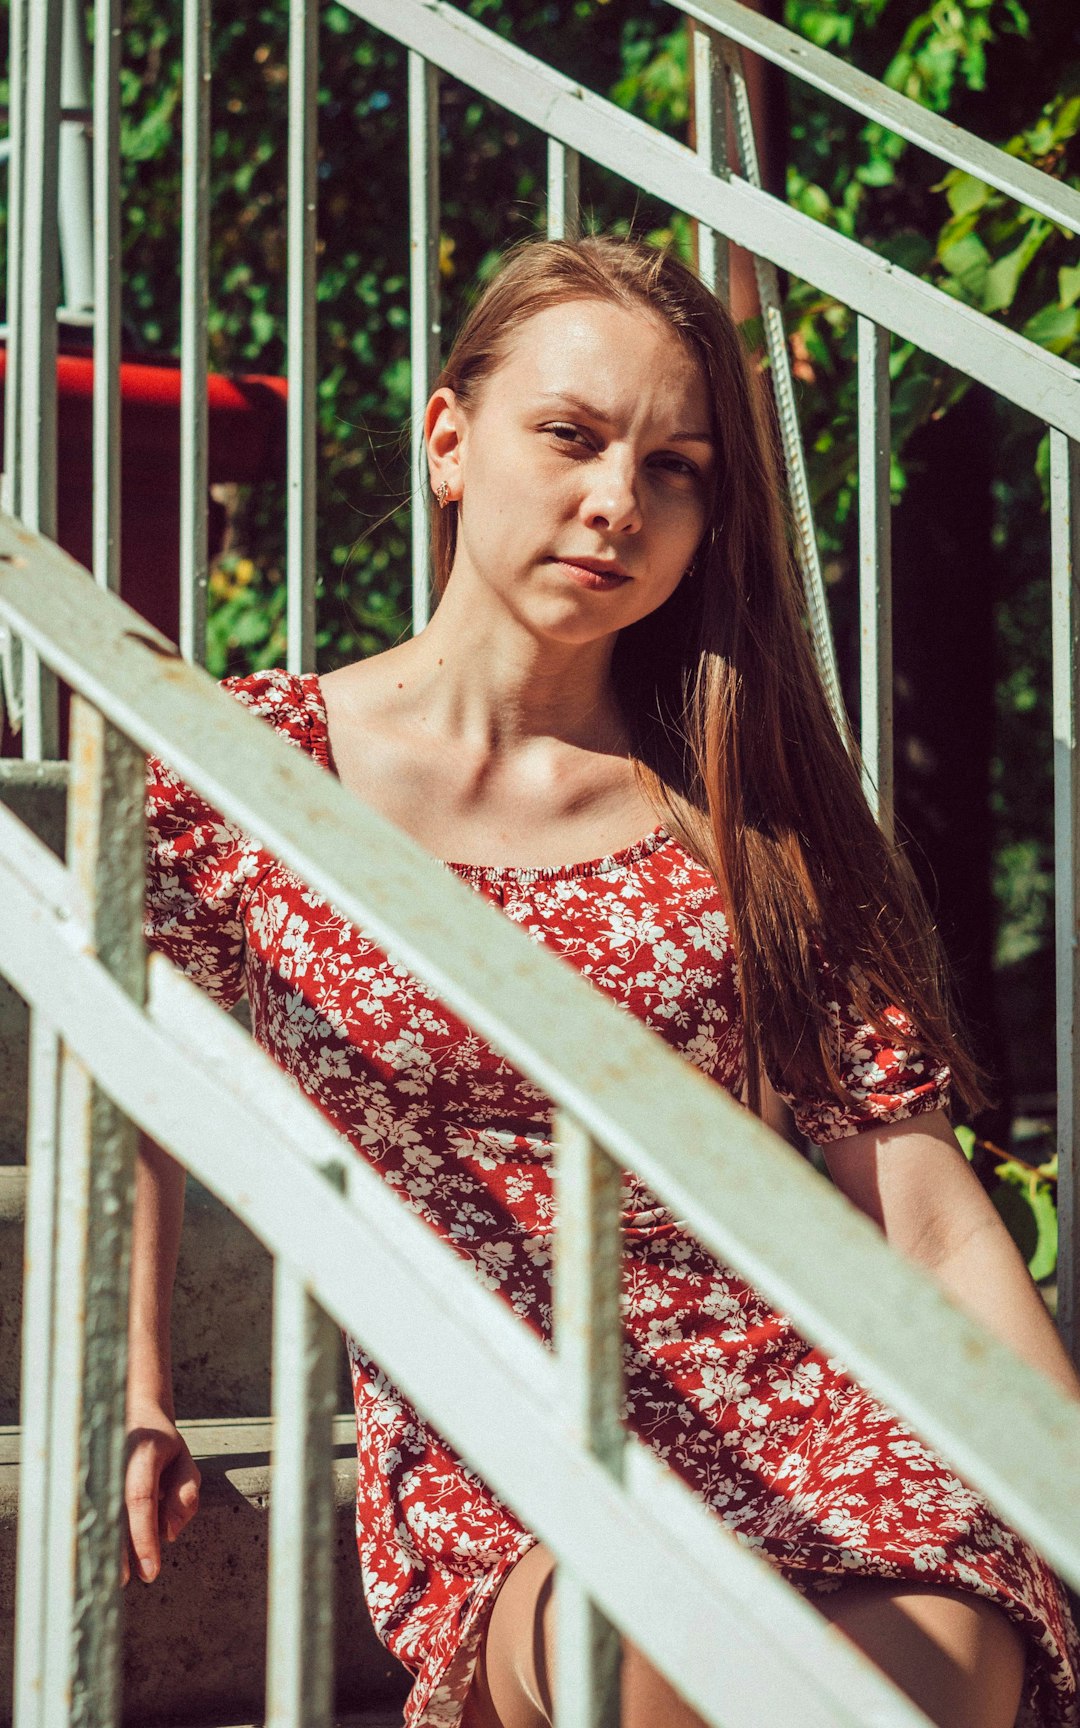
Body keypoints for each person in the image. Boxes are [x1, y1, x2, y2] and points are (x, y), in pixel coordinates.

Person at [127, 235, 1080, 1728]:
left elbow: (932, 1220)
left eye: (679, 467)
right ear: (450, 440)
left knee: (921, 1679)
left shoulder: (746, 812)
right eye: (570, 436)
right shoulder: (248, 767)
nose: (618, 502)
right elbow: (141, 1089)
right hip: (505, 1429)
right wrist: (133, 1385)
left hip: (808, 1411)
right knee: (670, 1661)